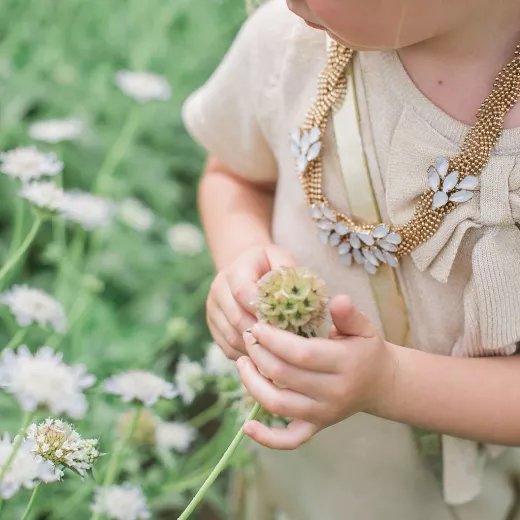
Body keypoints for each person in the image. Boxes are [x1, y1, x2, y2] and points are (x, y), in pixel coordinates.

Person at [182, 0, 520, 518]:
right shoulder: (290, 45)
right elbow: (233, 174)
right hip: (304, 477)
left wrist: (390, 384)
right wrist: (241, 256)